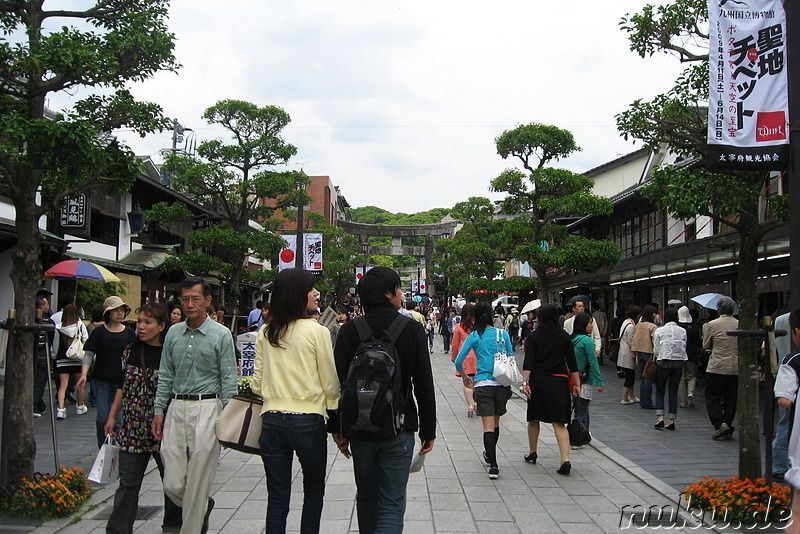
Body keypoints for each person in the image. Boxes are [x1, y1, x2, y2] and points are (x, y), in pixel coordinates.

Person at [332, 266, 436, 532]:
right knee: (391, 501)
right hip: (398, 426)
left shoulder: (349, 331)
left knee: (366, 497)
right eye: (399, 289)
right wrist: (428, 430)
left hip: (359, 426)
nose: (401, 294)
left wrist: (338, 429)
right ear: (389, 293)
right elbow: (423, 383)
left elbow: (338, 384)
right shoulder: (411, 330)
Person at [251, 268, 341, 534]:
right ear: (296, 295)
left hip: (272, 420)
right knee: (313, 491)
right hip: (308, 421)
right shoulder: (317, 331)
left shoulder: (266, 332)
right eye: (311, 289)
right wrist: (336, 422)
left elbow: (257, 383)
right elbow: (330, 384)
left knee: (277, 496)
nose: (317, 294)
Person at [152, 277, 238, 534]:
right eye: (185, 299)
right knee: (173, 482)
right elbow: (165, 374)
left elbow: (228, 380)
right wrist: (159, 410)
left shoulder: (221, 335)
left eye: (195, 299)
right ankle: (201, 505)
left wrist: (227, 419)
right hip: (177, 407)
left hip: (207, 407)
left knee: (199, 479)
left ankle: (191, 526)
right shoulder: (173, 333)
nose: (189, 304)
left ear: (208, 301)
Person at [104, 303, 183, 534]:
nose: (141, 327)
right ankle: (118, 530)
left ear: (161, 326)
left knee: (172, 483)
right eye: (139, 322)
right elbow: (122, 386)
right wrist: (112, 416)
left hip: (164, 428)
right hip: (132, 428)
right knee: (127, 484)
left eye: (147, 322)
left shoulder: (170, 353)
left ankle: (172, 526)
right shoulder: (130, 351)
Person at [521, 304, 580, 476]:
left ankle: (532, 452)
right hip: (559, 381)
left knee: (534, 418)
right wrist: (576, 383)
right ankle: (565, 459)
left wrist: (525, 383)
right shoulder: (564, 336)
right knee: (559, 422)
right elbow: (572, 363)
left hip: (539, 381)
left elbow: (529, 362)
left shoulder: (533, 336)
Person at [455, 302, 512, 478]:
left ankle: (493, 465)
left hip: (483, 383)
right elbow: (510, 356)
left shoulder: (474, 336)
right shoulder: (502, 334)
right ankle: (490, 453)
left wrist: (465, 376)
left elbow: (458, 360)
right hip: (502, 384)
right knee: (495, 423)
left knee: (487, 426)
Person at [78, 296, 136, 448]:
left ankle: (115, 450)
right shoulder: (99, 333)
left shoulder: (130, 334)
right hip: (102, 380)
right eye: (115, 310)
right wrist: (84, 374)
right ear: (108, 313)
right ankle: (103, 448)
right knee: (102, 418)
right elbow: (89, 353)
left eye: (121, 310)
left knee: (118, 419)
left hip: (122, 382)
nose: (119, 313)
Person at [702, 296, 739, 440]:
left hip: (717, 366)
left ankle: (720, 423)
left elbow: (706, 345)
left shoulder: (712, 325)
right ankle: (728, 424)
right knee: (731, 398)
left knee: (712, 396)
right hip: (735, 366)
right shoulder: (740, 323)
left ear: (718, 310)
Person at [652, 307, 687, 431]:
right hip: (678, 363)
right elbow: (684, 345)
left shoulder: (660, 331)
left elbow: (656, 349)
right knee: (673, 391)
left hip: (664, 362)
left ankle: (660, 417)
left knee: (660, 390)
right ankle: (672, 419)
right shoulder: (682, 331)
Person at [52, 302, 89, 420]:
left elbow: (56, 345)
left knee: (63, 386)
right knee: (80, 385)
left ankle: (61, 409)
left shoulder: (59, 327)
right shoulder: (80, 325)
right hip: (77, 359)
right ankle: (79, 406)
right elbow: (86, 340)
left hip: (63, 359)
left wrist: (54, 355)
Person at [570, 312, 603, 437]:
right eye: (590, 323)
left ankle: (583, 433)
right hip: (584, 377)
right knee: (582, 409)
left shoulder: (571, 339)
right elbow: (593, 362)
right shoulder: (587, 341)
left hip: (572, 378)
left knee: (577, 406)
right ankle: (579, 435)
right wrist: (599, 381)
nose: (592, 326)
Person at [773, 310, 793, 480]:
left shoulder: (779, 320)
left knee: (784, 423)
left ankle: (779, 465)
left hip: (782, 369)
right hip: (793, 370)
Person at [451, 303, 478, 418]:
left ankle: (470, 405)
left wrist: (454, 357)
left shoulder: (459, 326)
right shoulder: (478, 326)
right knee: (477, 381)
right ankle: (476, 402)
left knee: (467, 382)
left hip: (465, 357)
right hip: (478, 356)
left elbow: (455, 343)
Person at [631, 305, 658, 410]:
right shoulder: (652, 326)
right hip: (649, 352)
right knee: (649, 378)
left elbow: (635, 338)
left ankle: (643, 400)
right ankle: (647, 402)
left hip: (639, 352)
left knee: (643, 377)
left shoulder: (639, 325)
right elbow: (655, 341)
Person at [677, 307, 702, 408]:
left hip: (680, 355)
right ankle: (690, 393)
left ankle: (682, 402)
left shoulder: (678, 327)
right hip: (692, 355)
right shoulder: (695, 328)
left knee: (681, 378)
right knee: (692, 375)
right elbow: (698, 342)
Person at [33, 296, 53, 417]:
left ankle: (39, 405)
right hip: (42, 352)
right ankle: (33, 405)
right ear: (41, 306)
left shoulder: (29, 318)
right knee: (40, 381)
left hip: (32, 352)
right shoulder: (47, 322)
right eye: (46, 304)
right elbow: (51, 338)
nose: (48, 307)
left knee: (35, 381)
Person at [618, 306, 641, 405]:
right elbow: (632, 341)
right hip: (627, 353)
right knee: (630, 376)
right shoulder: (631, 326)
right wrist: (635, 352)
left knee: (631, 375)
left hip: (623, 352)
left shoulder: (625, 322)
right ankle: (625, 397)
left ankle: (631, 395)